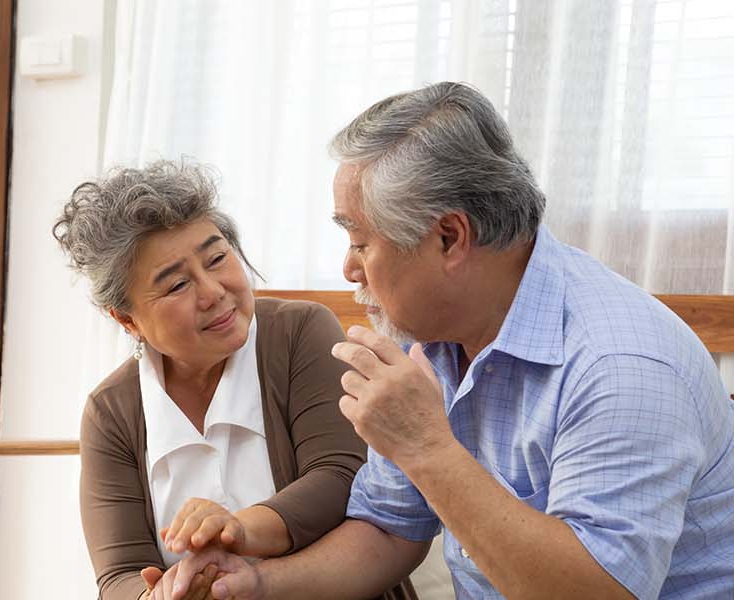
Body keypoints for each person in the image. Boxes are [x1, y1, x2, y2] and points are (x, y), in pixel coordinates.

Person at [169, 82, 734, 599]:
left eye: (361, 242)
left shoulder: (622, 364)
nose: (348, 268)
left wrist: (425, 446)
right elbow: (390, 527)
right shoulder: (433, 338)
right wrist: (258, 583)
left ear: (449, 237)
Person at [55, 161, 414, 600]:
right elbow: (119, 574)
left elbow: (341, 476)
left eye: (217, 258)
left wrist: (237, 529)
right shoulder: (110, 411)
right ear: (127, 319)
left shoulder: (300, 331)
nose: (212, 292)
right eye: (176, 286)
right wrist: (164, 594)